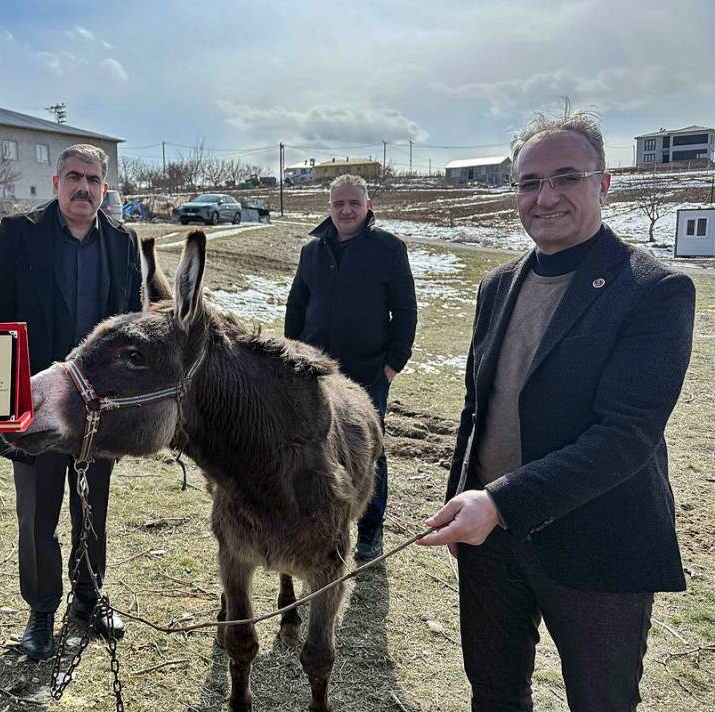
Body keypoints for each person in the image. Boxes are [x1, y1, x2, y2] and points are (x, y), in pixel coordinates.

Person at [419, 110, 695, 711]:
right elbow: (480, 409)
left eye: (565, 178)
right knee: (493, 693)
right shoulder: (497, 284)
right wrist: (470, 497)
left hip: (597, 541)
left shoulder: (653, 290)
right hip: (490, 544)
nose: (545, 197)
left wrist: (499, 501)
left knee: (600, 700)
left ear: (604, 183)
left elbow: (626, 437)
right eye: (528, 182)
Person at [0, 143, 143, 659]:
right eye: (74, 177)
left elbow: (133, 332)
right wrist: (1, 405)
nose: (84, 188)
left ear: (104, 187)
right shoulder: (19, 234)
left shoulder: (122, 241)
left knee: (92, 507)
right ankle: (41, 609)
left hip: (99, 411)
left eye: (94, 180)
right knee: (39, 514)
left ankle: (90, 597)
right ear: (55, 182)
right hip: (36, 406)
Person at [284, 173, 417, 562]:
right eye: (338, 203)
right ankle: (315, 522)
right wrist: (292, 354)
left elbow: (405, 310)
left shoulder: (388, 248)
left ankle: (369, 531)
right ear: (329, 207)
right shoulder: (313, 251)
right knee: (311, 444)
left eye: (353, 203)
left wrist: (393, 364)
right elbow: (296, 306)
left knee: (369, 451)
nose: (346, 210)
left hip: (368, 371)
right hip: (315, 372)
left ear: (367, 205)